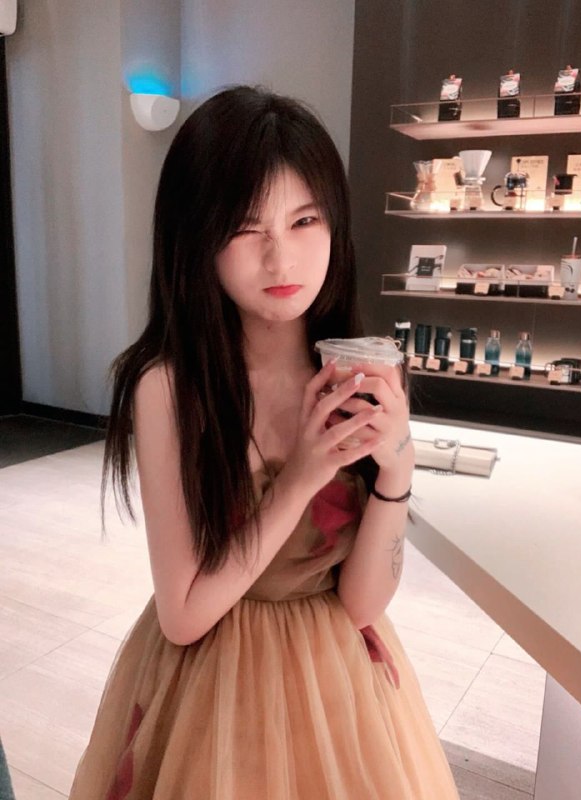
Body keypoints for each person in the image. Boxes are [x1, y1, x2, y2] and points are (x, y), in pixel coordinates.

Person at [69, 85, 459, 799]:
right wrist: (302, 475)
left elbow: (361, 606)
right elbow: (184, 616)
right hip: (209, 691)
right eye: (247, 229)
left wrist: (397, 465)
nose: (282, 260)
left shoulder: (355, 375)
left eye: (305, 220)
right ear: (197, 240)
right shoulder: (169, 388)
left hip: (335, 685)